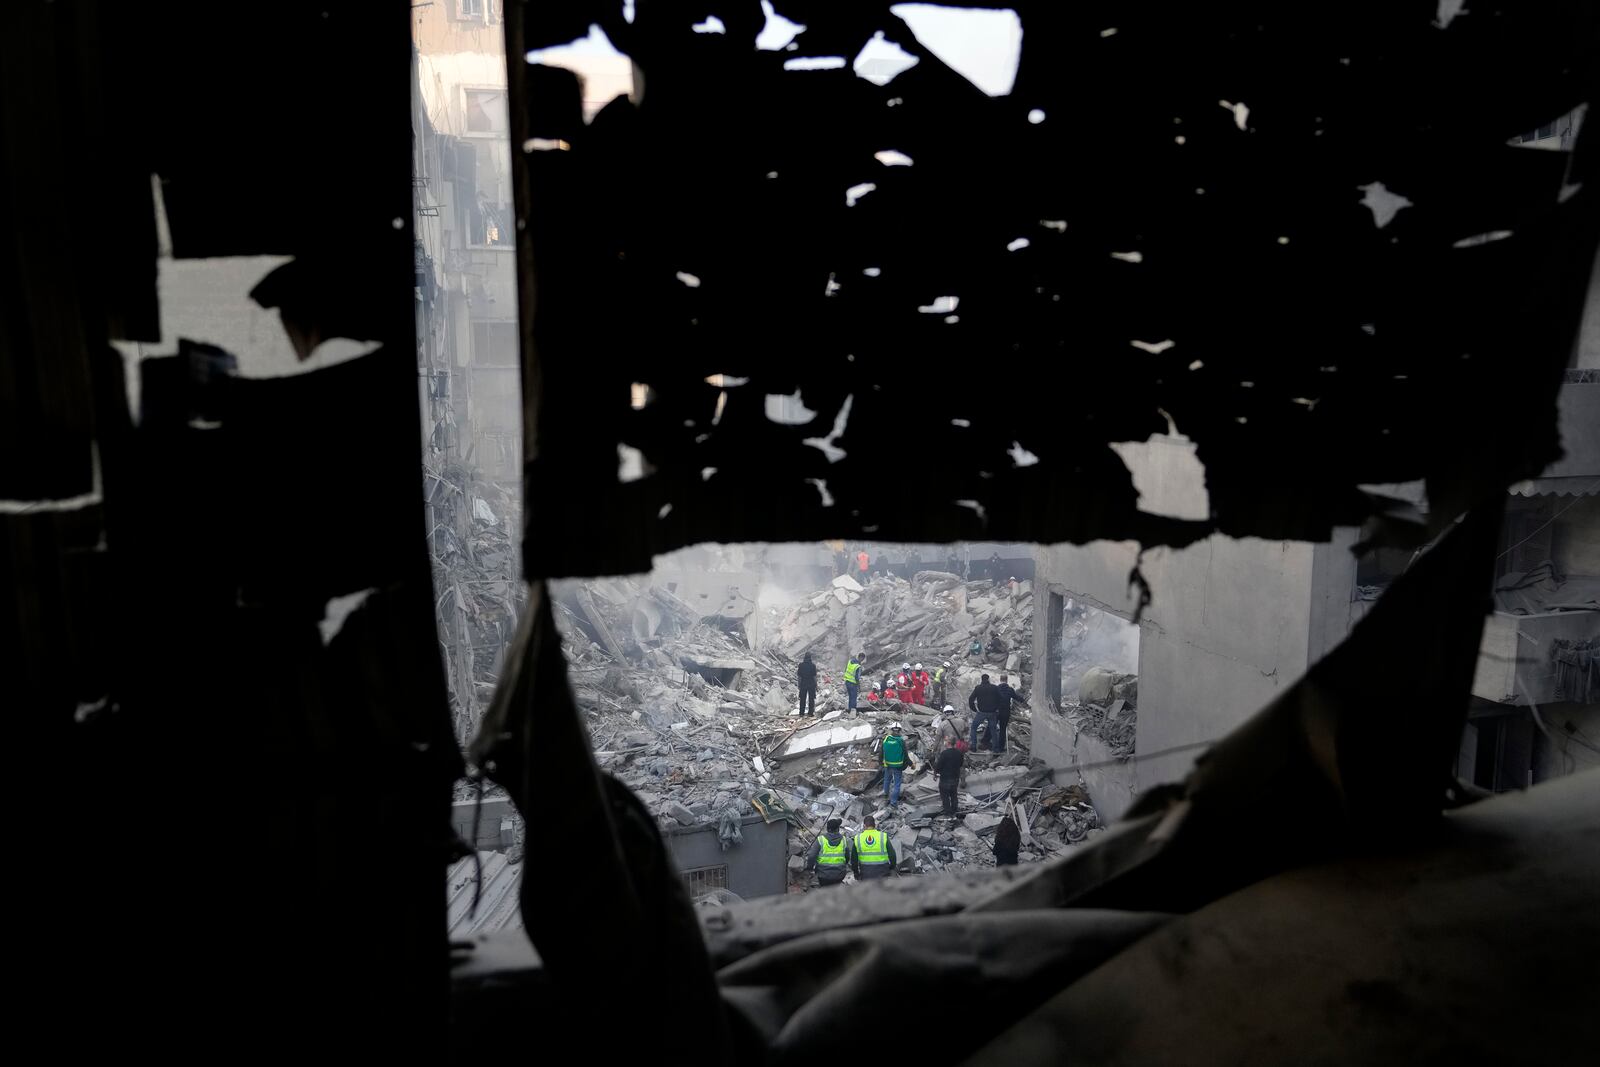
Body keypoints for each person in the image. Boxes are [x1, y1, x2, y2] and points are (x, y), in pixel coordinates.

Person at [805, 817, 851, 887]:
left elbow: (812, 856)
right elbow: (847, 856)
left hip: (823, 874)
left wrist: (809, 868)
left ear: (827, 829)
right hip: (839, 874)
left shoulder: (820, 839)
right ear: (838, 829)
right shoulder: (844, 840)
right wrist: (844, 864)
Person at [852, 815, 896, 880]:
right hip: (883, 873)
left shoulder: (857, 838)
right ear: (875, 825)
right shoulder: (883, 836)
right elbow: (892, 855)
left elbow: (854, 859)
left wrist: (856, 873)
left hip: (866, 874)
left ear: (864, 826)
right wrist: (891, 867)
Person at [968, 673, 1003, 752]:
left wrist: (974, 709)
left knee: (973, 728)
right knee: (993, 730)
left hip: (981, 713)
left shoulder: (978, 688)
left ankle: (973, 746)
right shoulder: (994, 688)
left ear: (982, 679)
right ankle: (996, 749)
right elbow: (1001, 699)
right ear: (988, 679)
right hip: (992, 713)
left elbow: (971, 699)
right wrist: (997, 708)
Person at [995, 674, 1030, 751]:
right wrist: (1025, 701)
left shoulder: (996, 689)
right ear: (1007, 680)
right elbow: (1016, 697)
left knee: (993, 728)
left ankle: (994, 747)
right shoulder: (1010, 689)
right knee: (1002, 729)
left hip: (996, 712)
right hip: (1005, 713)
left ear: (1000, 680)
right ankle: (1001, 748)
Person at [879, 722, 910, 807]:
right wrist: (910, 764)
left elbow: (881, 752)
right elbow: (905, 754)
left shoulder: (886, 739)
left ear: (891, 730)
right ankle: (893, 802)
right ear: (900, 730)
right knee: (897, 784)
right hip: (898, 766)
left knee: (887, 780)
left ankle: (886, 795)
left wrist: (880, 763)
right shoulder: (900, 741)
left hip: (887, 765)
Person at [933, 736, 964, 817]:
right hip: (955, 778)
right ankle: (954, 811)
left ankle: (948, 814)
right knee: (954, 795)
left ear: (948, 743)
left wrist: (935, 774)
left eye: (945, 741)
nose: (944, 742)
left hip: (945, 779)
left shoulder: (944, 754)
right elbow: (961, 764)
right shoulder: (959, 753)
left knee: (945, 797)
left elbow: (938, 766)